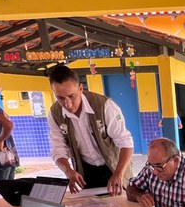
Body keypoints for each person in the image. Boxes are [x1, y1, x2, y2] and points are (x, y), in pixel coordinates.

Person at [47, 64, 134, 195]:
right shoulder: (55, 114)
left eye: (72, 96)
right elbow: (58, 149)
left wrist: (119, 173)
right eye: (60, 98)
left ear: (81, 88)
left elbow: (126, 143)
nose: (67, 104)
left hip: (114, 167)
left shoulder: (105, 106)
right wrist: (68, 171)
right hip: (85, 170)